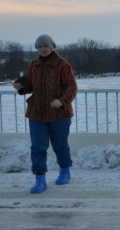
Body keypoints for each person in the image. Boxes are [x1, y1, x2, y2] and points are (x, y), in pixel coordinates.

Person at [13, 34, 78, 194]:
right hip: (37, 114)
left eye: (45, 46)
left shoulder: (62, 64)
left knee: (60, 145)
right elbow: (29, 86)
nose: (42, 49)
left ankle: (65, 171)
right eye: (39, 46)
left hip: (59, 114)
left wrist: (61, 101)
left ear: (52, 47)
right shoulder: (33, 65)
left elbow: (72, 87)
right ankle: (40, 179)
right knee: (38, 147)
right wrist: (21, 86)